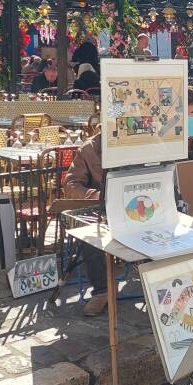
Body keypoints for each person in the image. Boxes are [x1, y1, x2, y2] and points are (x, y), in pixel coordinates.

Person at [62, 134, 109, 316]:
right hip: (99, 210)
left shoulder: (139, 141)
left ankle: (155, 282)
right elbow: (71, 184)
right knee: (90, 237)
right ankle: (101, 291)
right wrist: (92, 194)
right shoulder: (89, 149)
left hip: (134, 205)